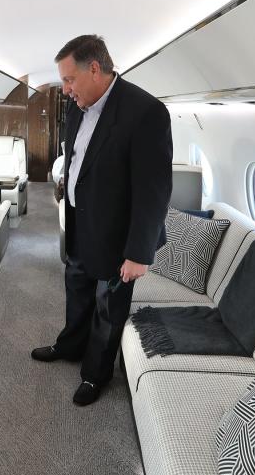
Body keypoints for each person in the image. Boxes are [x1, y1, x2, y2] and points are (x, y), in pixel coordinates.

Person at [32, 35, 172, 406]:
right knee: (76, 287)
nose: (65, 90)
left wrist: (138, 253)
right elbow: (77, 156)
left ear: (94, 68)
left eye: (69, 80)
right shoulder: (78, 107)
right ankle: (70, 346)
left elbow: (153, 190)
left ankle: (95, 375)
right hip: (79, 221)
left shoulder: (145, 112)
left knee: (108, 308)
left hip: (117, 234)